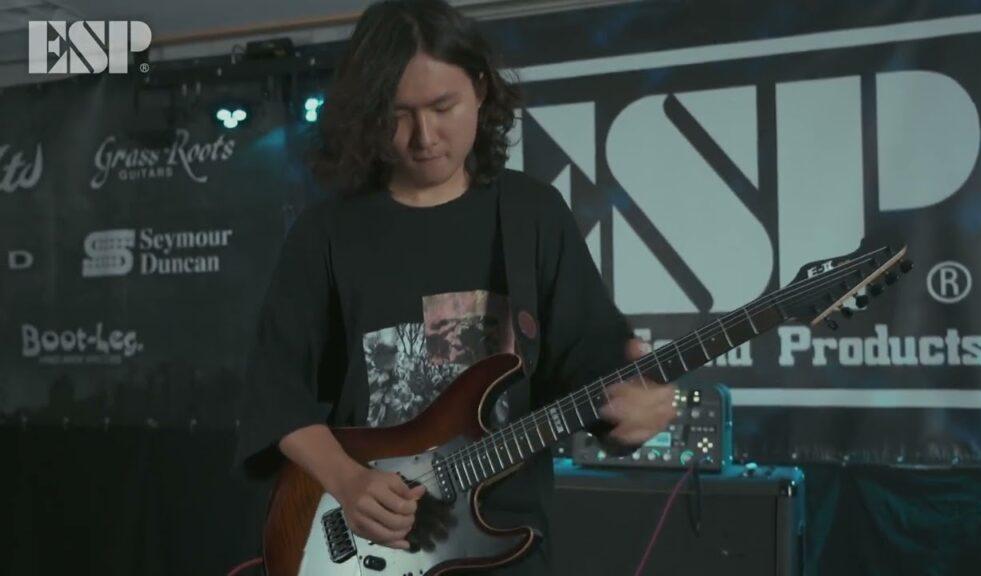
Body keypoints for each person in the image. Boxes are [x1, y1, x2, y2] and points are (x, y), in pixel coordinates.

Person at [235, 0, 676, 573]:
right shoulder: (326, 234)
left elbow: (589, 364)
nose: (424, 137)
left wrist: (631, 409)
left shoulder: (532, 216)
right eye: (398, 115)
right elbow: (275, 394)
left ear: (482, 90)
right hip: (372, 550)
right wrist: (347, 481)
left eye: (443, 107)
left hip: (507, 547)